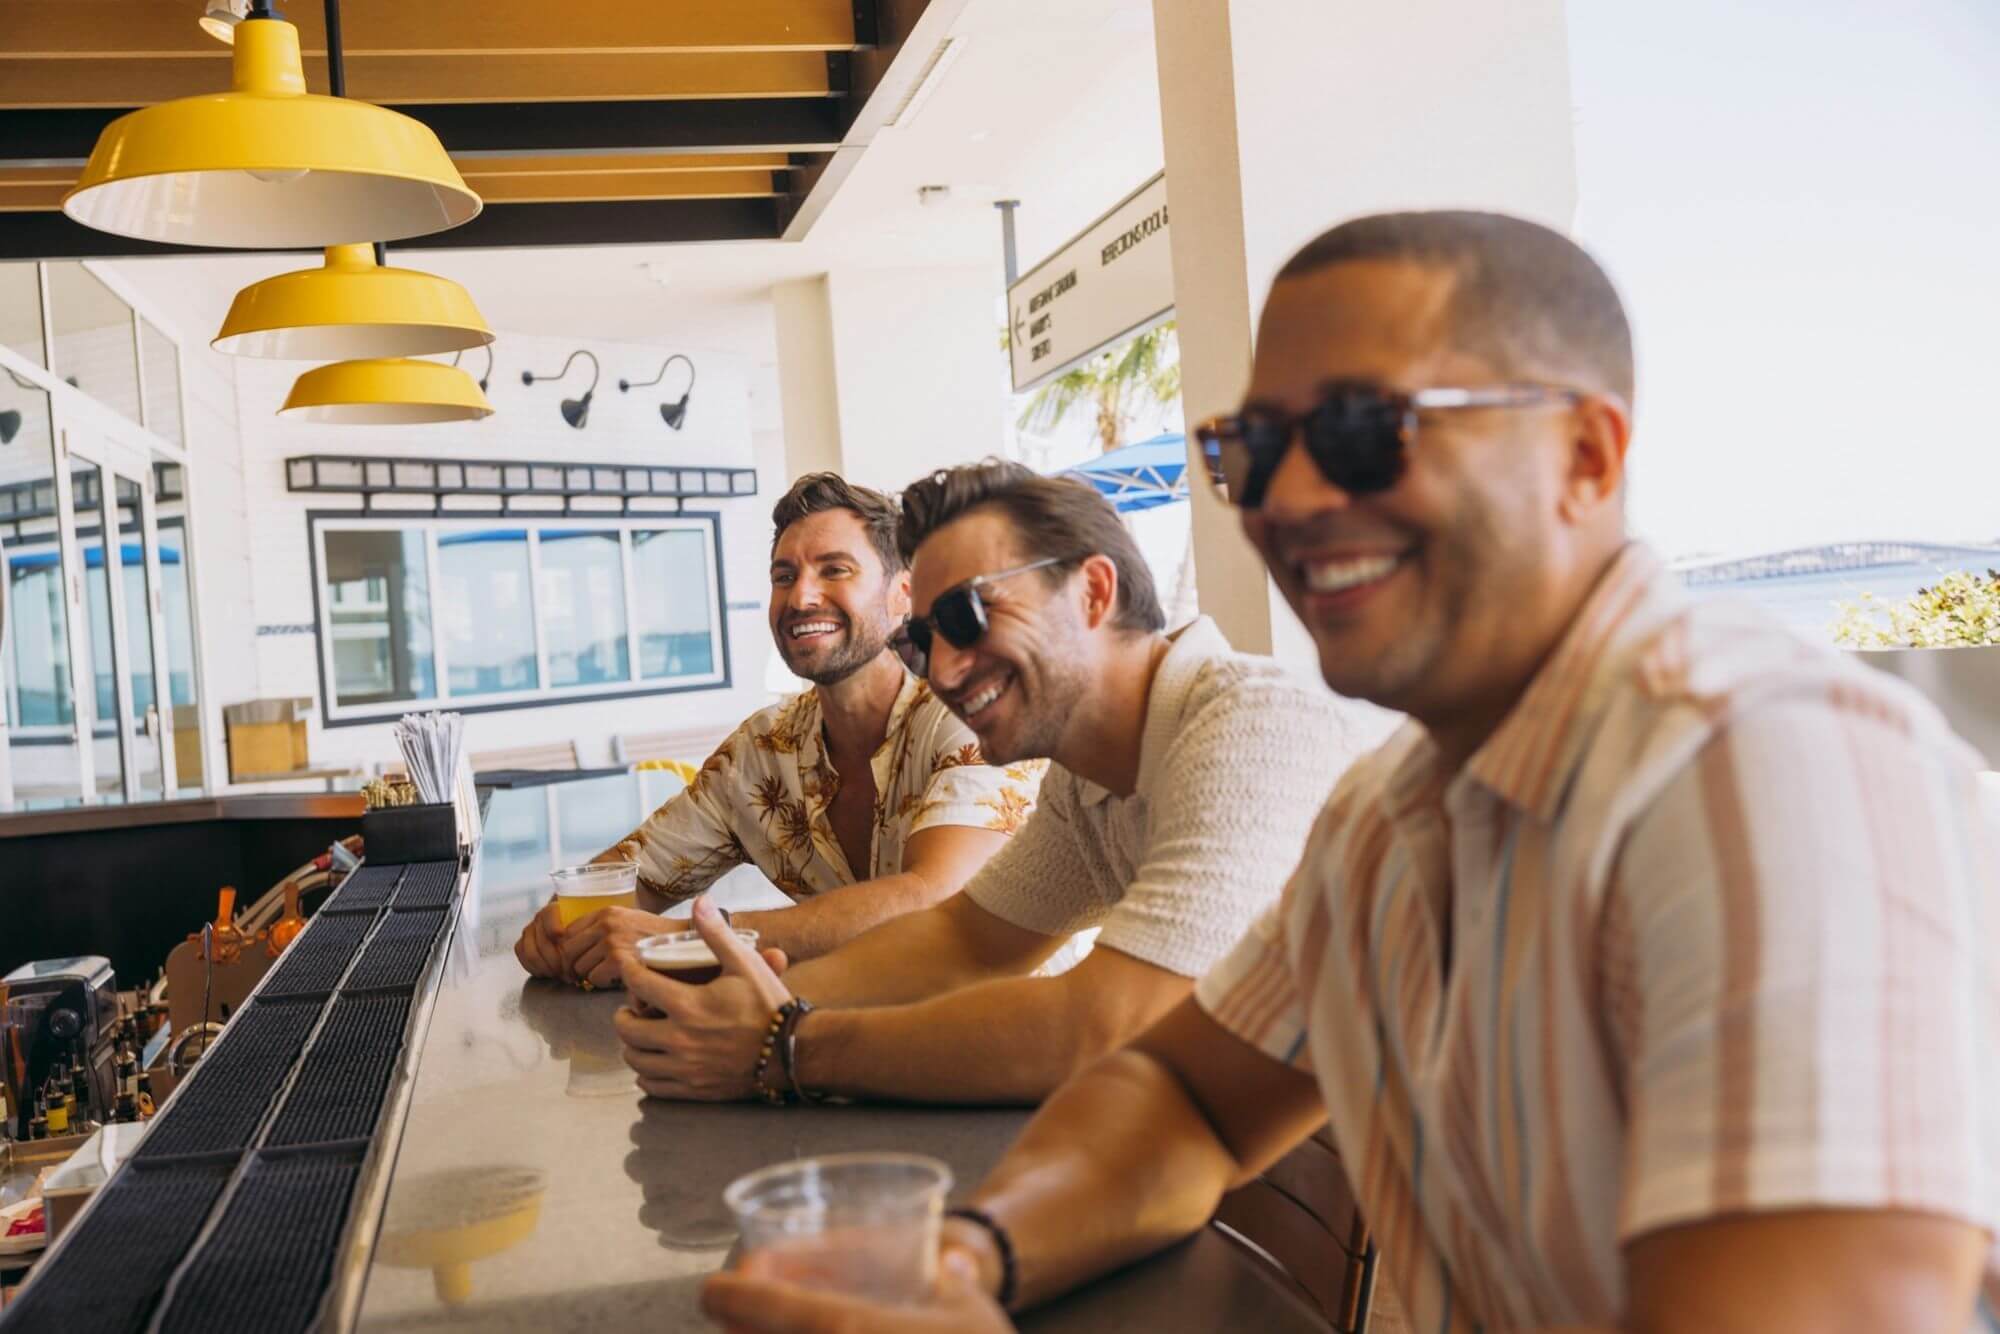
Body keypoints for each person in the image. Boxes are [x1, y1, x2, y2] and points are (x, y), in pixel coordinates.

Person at [698, 210, 2000, 1332]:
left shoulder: (1756, 776)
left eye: (1367, 432)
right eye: (1254, 452)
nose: (1291, 499)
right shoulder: (1398, 810)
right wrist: (973, 1256)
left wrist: (792, 1047)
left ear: (1586, 456)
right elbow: (1185, 1096)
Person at [612, 461, 1378, 1105]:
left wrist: (789, 1044)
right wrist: (751, 1005)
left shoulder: (1254, 722)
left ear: (1093, 592)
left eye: (969, 615)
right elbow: (964, 941)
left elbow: (1104, 1024)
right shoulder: (1087, 779)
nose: (944, 670)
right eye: (925, 638)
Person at [514, 472, 1042, 984]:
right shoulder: (763, 749)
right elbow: (639, 876)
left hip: (1015, 1027)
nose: (800, 598)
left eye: (835, 570)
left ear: (903, 594)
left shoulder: (969, 720)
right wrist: (565, 928)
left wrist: (690, 939)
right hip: (853, 1024)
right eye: (784, 576)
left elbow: (934, 898)